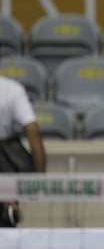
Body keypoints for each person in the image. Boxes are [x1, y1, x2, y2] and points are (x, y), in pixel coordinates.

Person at [0, 75, 47, 227]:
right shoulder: (12, 88)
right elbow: (33, 131)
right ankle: (8, 206)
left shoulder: (13, 89)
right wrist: (39, 180)